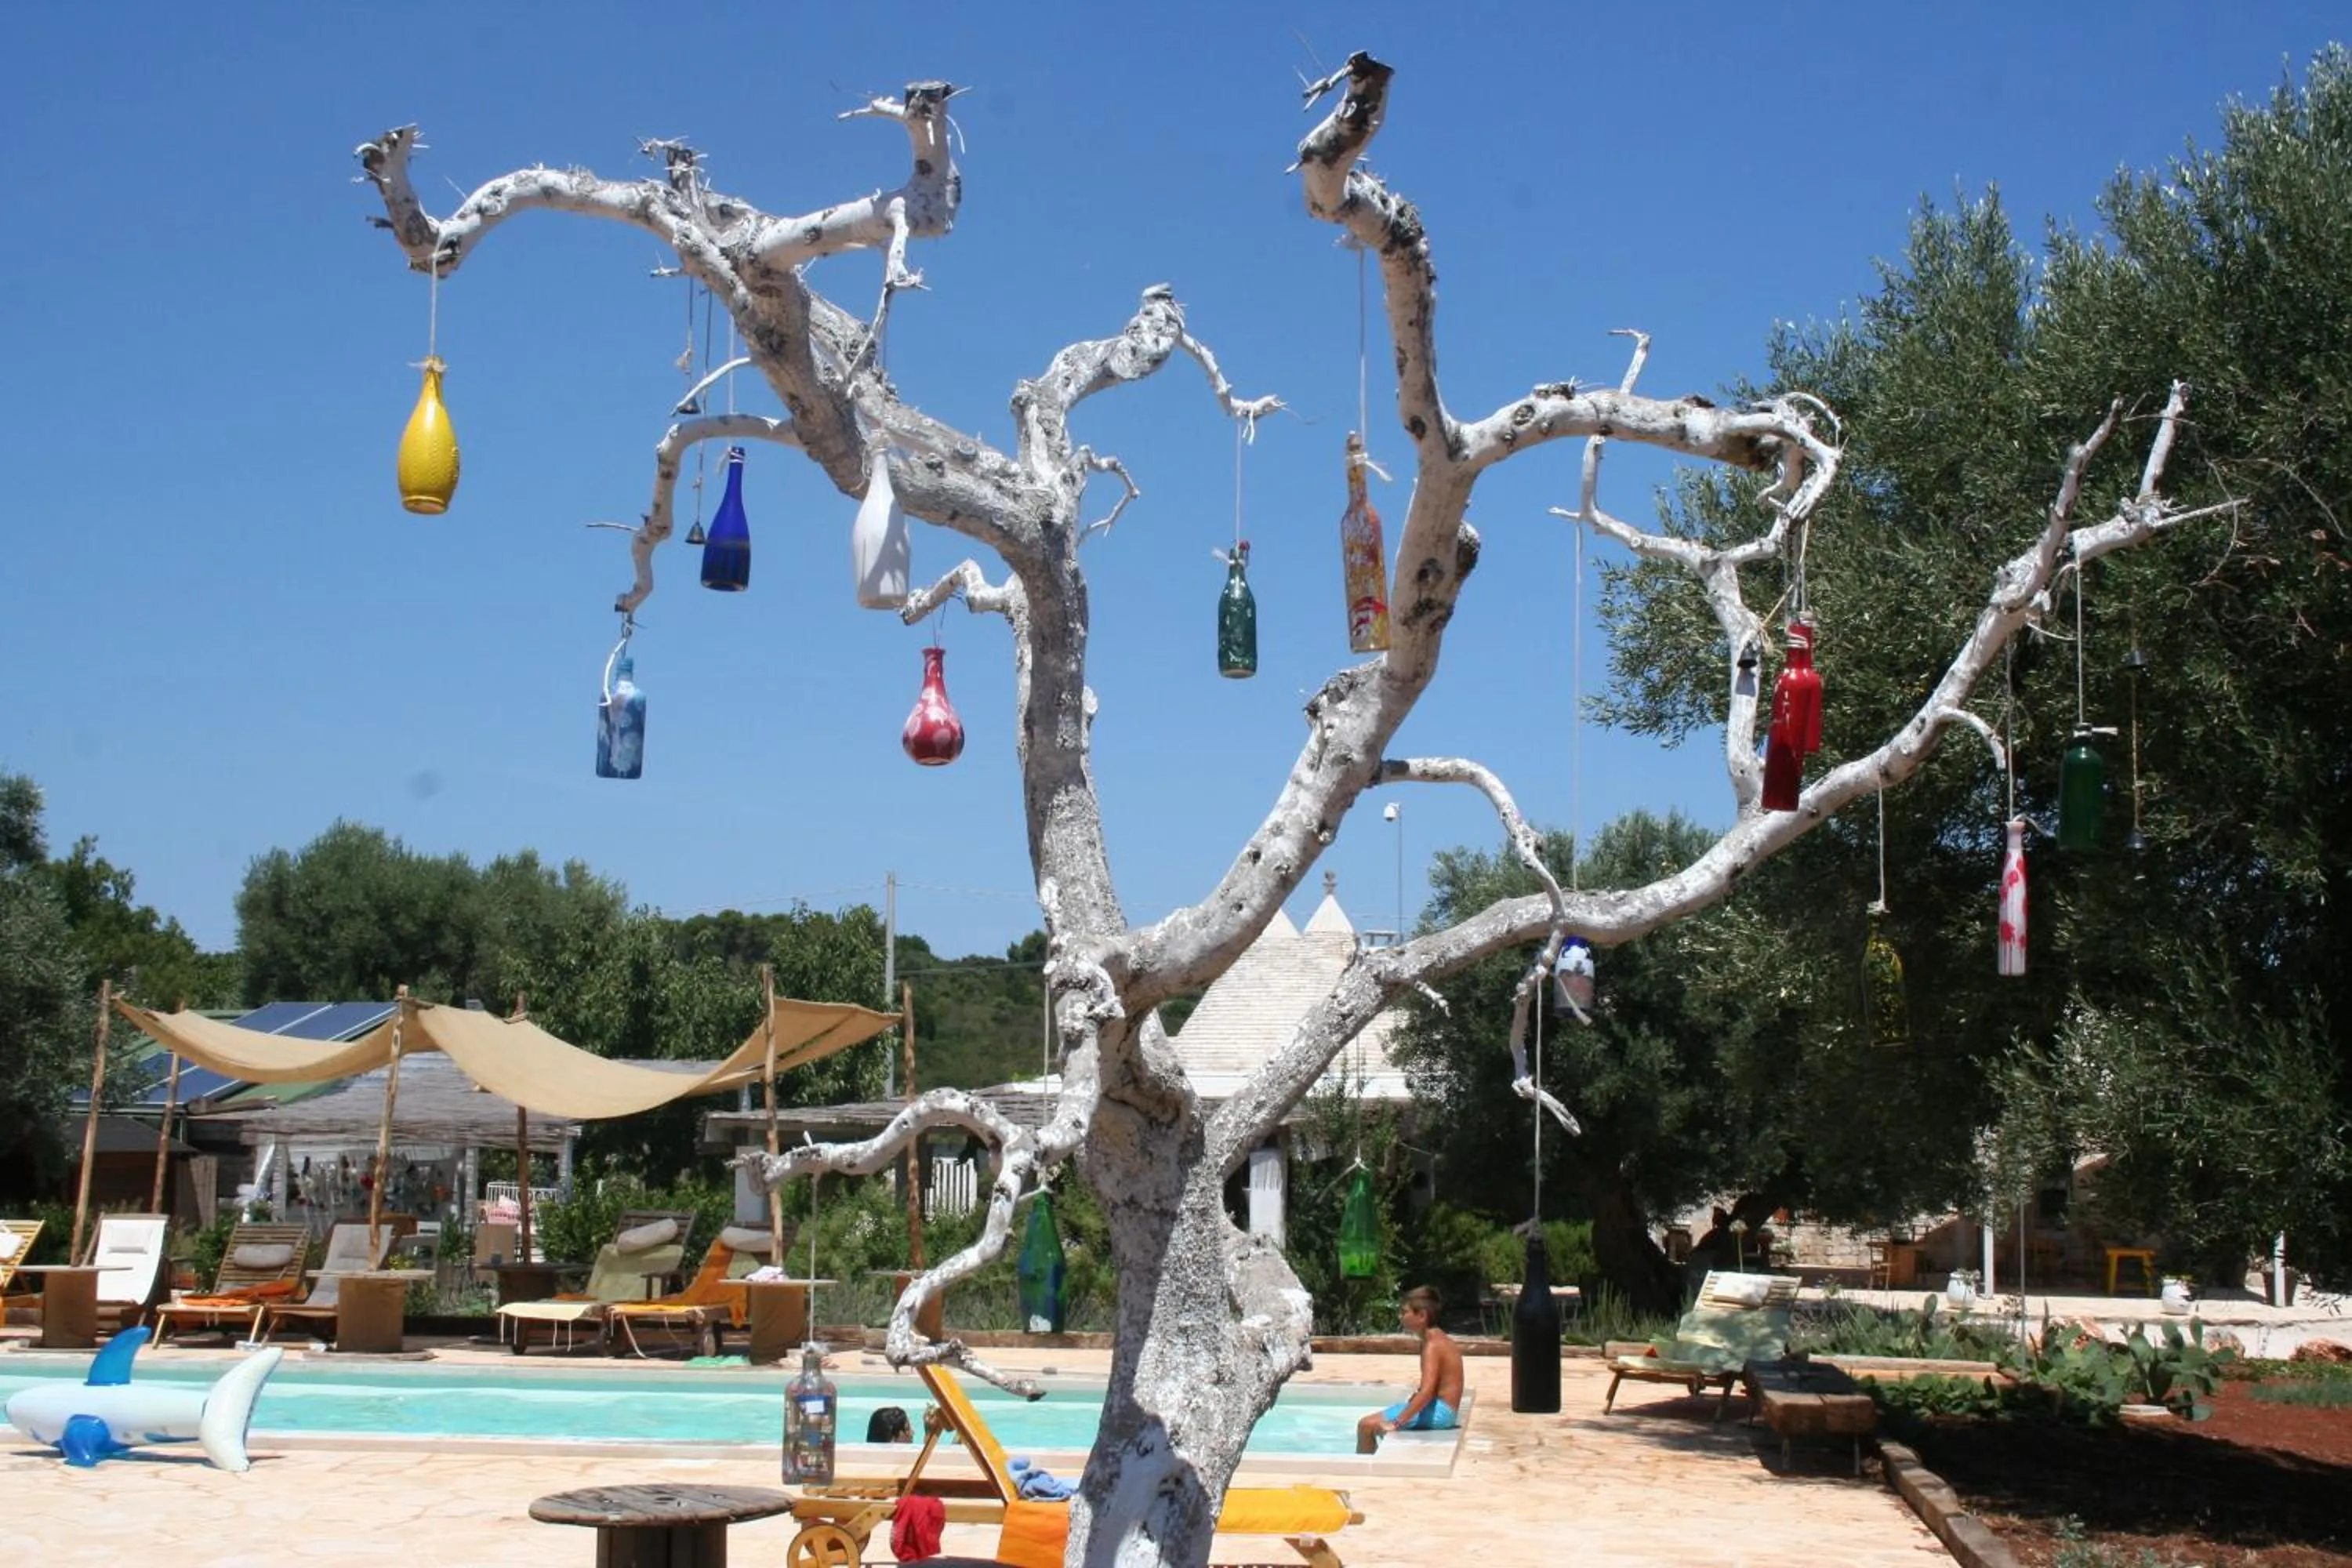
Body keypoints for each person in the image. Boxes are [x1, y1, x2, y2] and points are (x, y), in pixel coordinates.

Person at [1357, 1285, 1464, 1453]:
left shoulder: (1432, 1345)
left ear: (1422, 1315)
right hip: (1445, 1410)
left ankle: (1362, 1472)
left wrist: (1397, 1422)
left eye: (1405, 1312)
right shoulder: (1437, 1338)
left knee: (1366, 1425)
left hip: (1442, 1414)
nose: (1401, 1317)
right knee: (1395, 1409)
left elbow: (1427, 1392)